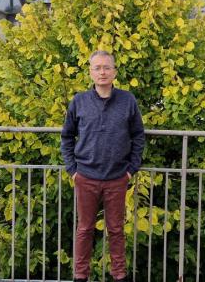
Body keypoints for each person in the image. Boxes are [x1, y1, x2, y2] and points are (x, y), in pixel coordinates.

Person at [61, 50, 145, 282]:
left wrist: (131, 169)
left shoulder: (128, 100)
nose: (102, 72)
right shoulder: (79, 101)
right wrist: (72, 170)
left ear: (114, 71)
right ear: (90, 72)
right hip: (85, 176)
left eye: (107, 67)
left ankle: (119, 275)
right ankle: (80, 276)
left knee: (116, 230)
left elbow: (138, 135)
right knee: (85, 229)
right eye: (97, 68)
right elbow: (66, 137)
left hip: (118, 176)